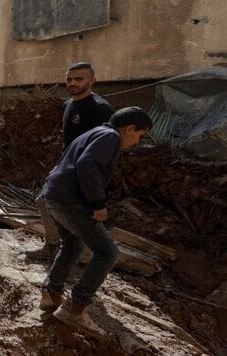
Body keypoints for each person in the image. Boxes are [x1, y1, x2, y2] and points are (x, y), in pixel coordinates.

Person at [38, 106, 153, 336]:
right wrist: (98, 203)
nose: (138, 141)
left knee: (71, 246)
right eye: (140, 135)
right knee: (108, 252)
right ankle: (76, 307)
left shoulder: (94, 133)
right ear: (129, 128)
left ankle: (51, 295)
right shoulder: (110, 136)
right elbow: (87, 165)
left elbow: (65, 163)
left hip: (55, 196)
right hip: (70, 201)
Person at [26, 62, 114, 261]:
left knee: (79, 212)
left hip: (85, 171)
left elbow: (102, 148)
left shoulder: (99, 109)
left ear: (92, 81)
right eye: (69, 79)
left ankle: (84, 255)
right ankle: (54, 246)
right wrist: (59, 167)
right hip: (67, 168)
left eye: (79, 79)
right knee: (45, 202)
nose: (72, 83)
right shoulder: (68, 105)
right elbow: (70, 143)